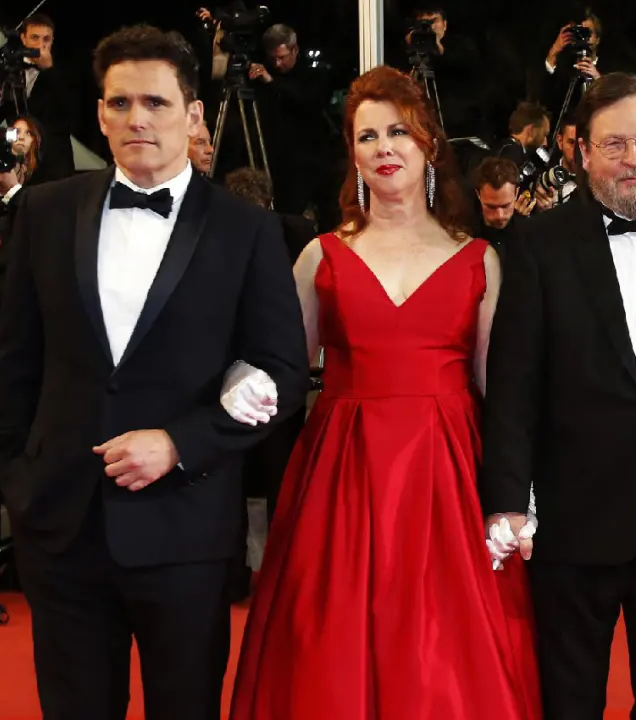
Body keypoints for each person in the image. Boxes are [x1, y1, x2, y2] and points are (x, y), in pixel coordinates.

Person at [0, 25, 309, 720]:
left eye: (156, 103)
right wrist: (18, 476)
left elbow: (280, 372)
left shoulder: (247, 229)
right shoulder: (45, 211)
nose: (138, 118)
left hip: (185, 528)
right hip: (60, 526)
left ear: (192, 115)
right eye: (121, 102)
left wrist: (180, 443)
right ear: (100, 114)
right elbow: (15, 361)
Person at [229, 65, 540, 720]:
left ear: (428, 143)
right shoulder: (320, 255)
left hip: (448, 475)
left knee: (445, 644)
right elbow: (281, 371)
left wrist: (521, 493)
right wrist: (236, 383)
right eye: (367, 136)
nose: (383, 148)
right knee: (329, 640)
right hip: (343, 472)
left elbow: (499, 389)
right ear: (352, 153)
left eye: (398, 131)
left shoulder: (479, 259)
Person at [479, 72, 636, 719]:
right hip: (571, 521)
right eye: (614, 144)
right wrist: (507, 499)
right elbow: (513, 383)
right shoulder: (538, 244)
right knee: (568, 702)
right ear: (582, 152)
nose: (634, 158)